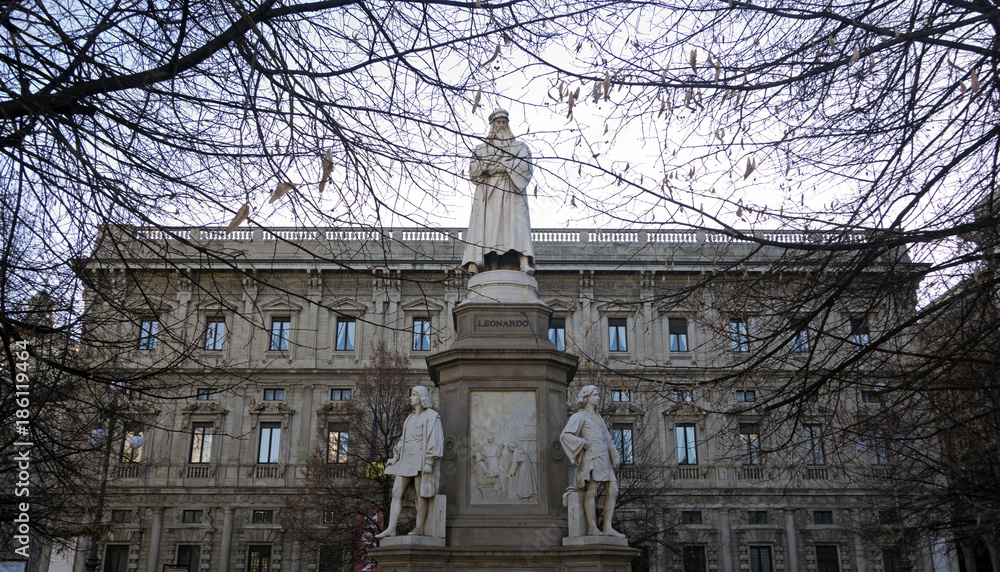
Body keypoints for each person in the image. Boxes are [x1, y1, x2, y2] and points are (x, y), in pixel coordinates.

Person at [461, 109, 535, 275]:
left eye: (504, 122)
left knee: (517, 227)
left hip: (513, 192)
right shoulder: (481, 149)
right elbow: (474, 170)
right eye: (498, 122)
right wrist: (496, 163)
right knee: (491, 230)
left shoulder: (519, 147)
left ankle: (524, 262)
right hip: (490, 194)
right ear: (492, 125)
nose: (501, 125)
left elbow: (525, 167)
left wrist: (500, 167)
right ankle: (492, 268)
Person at [376, 386, 444, 538]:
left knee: (421, 495)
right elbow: (404, 439)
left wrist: (429, 462)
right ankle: (391, 528)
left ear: (422, 397)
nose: (410, 398)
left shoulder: (432, 416)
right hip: (406, 460)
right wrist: (395, 457)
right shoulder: (410, 418)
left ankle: (419, 527)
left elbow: (435, 440)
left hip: (420, 459)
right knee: (396, 493)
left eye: (414, 395)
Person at [559, 385, 624, 537]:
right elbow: (565, 435)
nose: (598, 397)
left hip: (604, 458)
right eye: (595, 394)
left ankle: (607, 527)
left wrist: (614, 455)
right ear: (586, 397)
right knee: (592, 490)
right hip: (592, 457)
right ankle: (593, 527)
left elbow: (608, 438)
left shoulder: (598, 417)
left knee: (613, 490)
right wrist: (582, 443)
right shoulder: (579, 416)